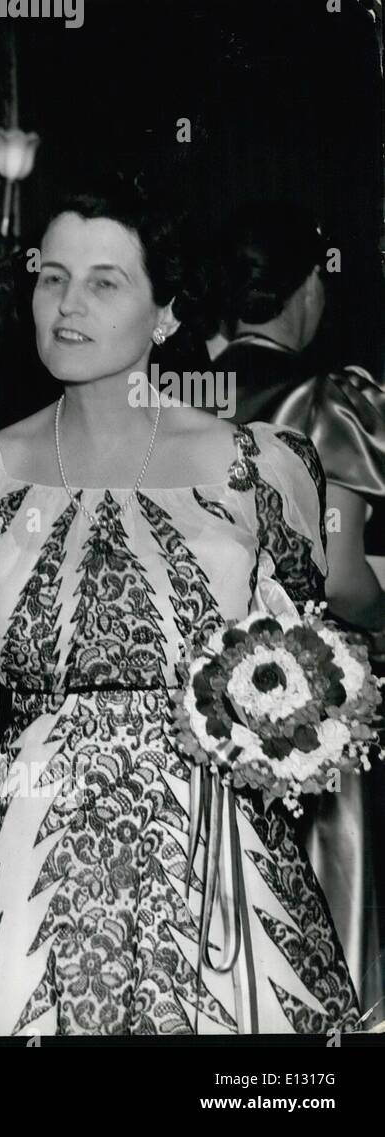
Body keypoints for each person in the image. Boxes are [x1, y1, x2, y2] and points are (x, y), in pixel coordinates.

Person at [0, 177, 360, 1035]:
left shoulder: (260, 469)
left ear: (165, 314)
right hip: (41, 862)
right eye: (50, 278)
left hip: (222, 873)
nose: (68, 305)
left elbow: (306, 670)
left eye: (104, 281)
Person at [211, 201, 385, 1022]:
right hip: (305, 709)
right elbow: (343, 579)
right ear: (308, 287)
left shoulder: (175, 387)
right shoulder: (326, 400)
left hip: (201, 704)